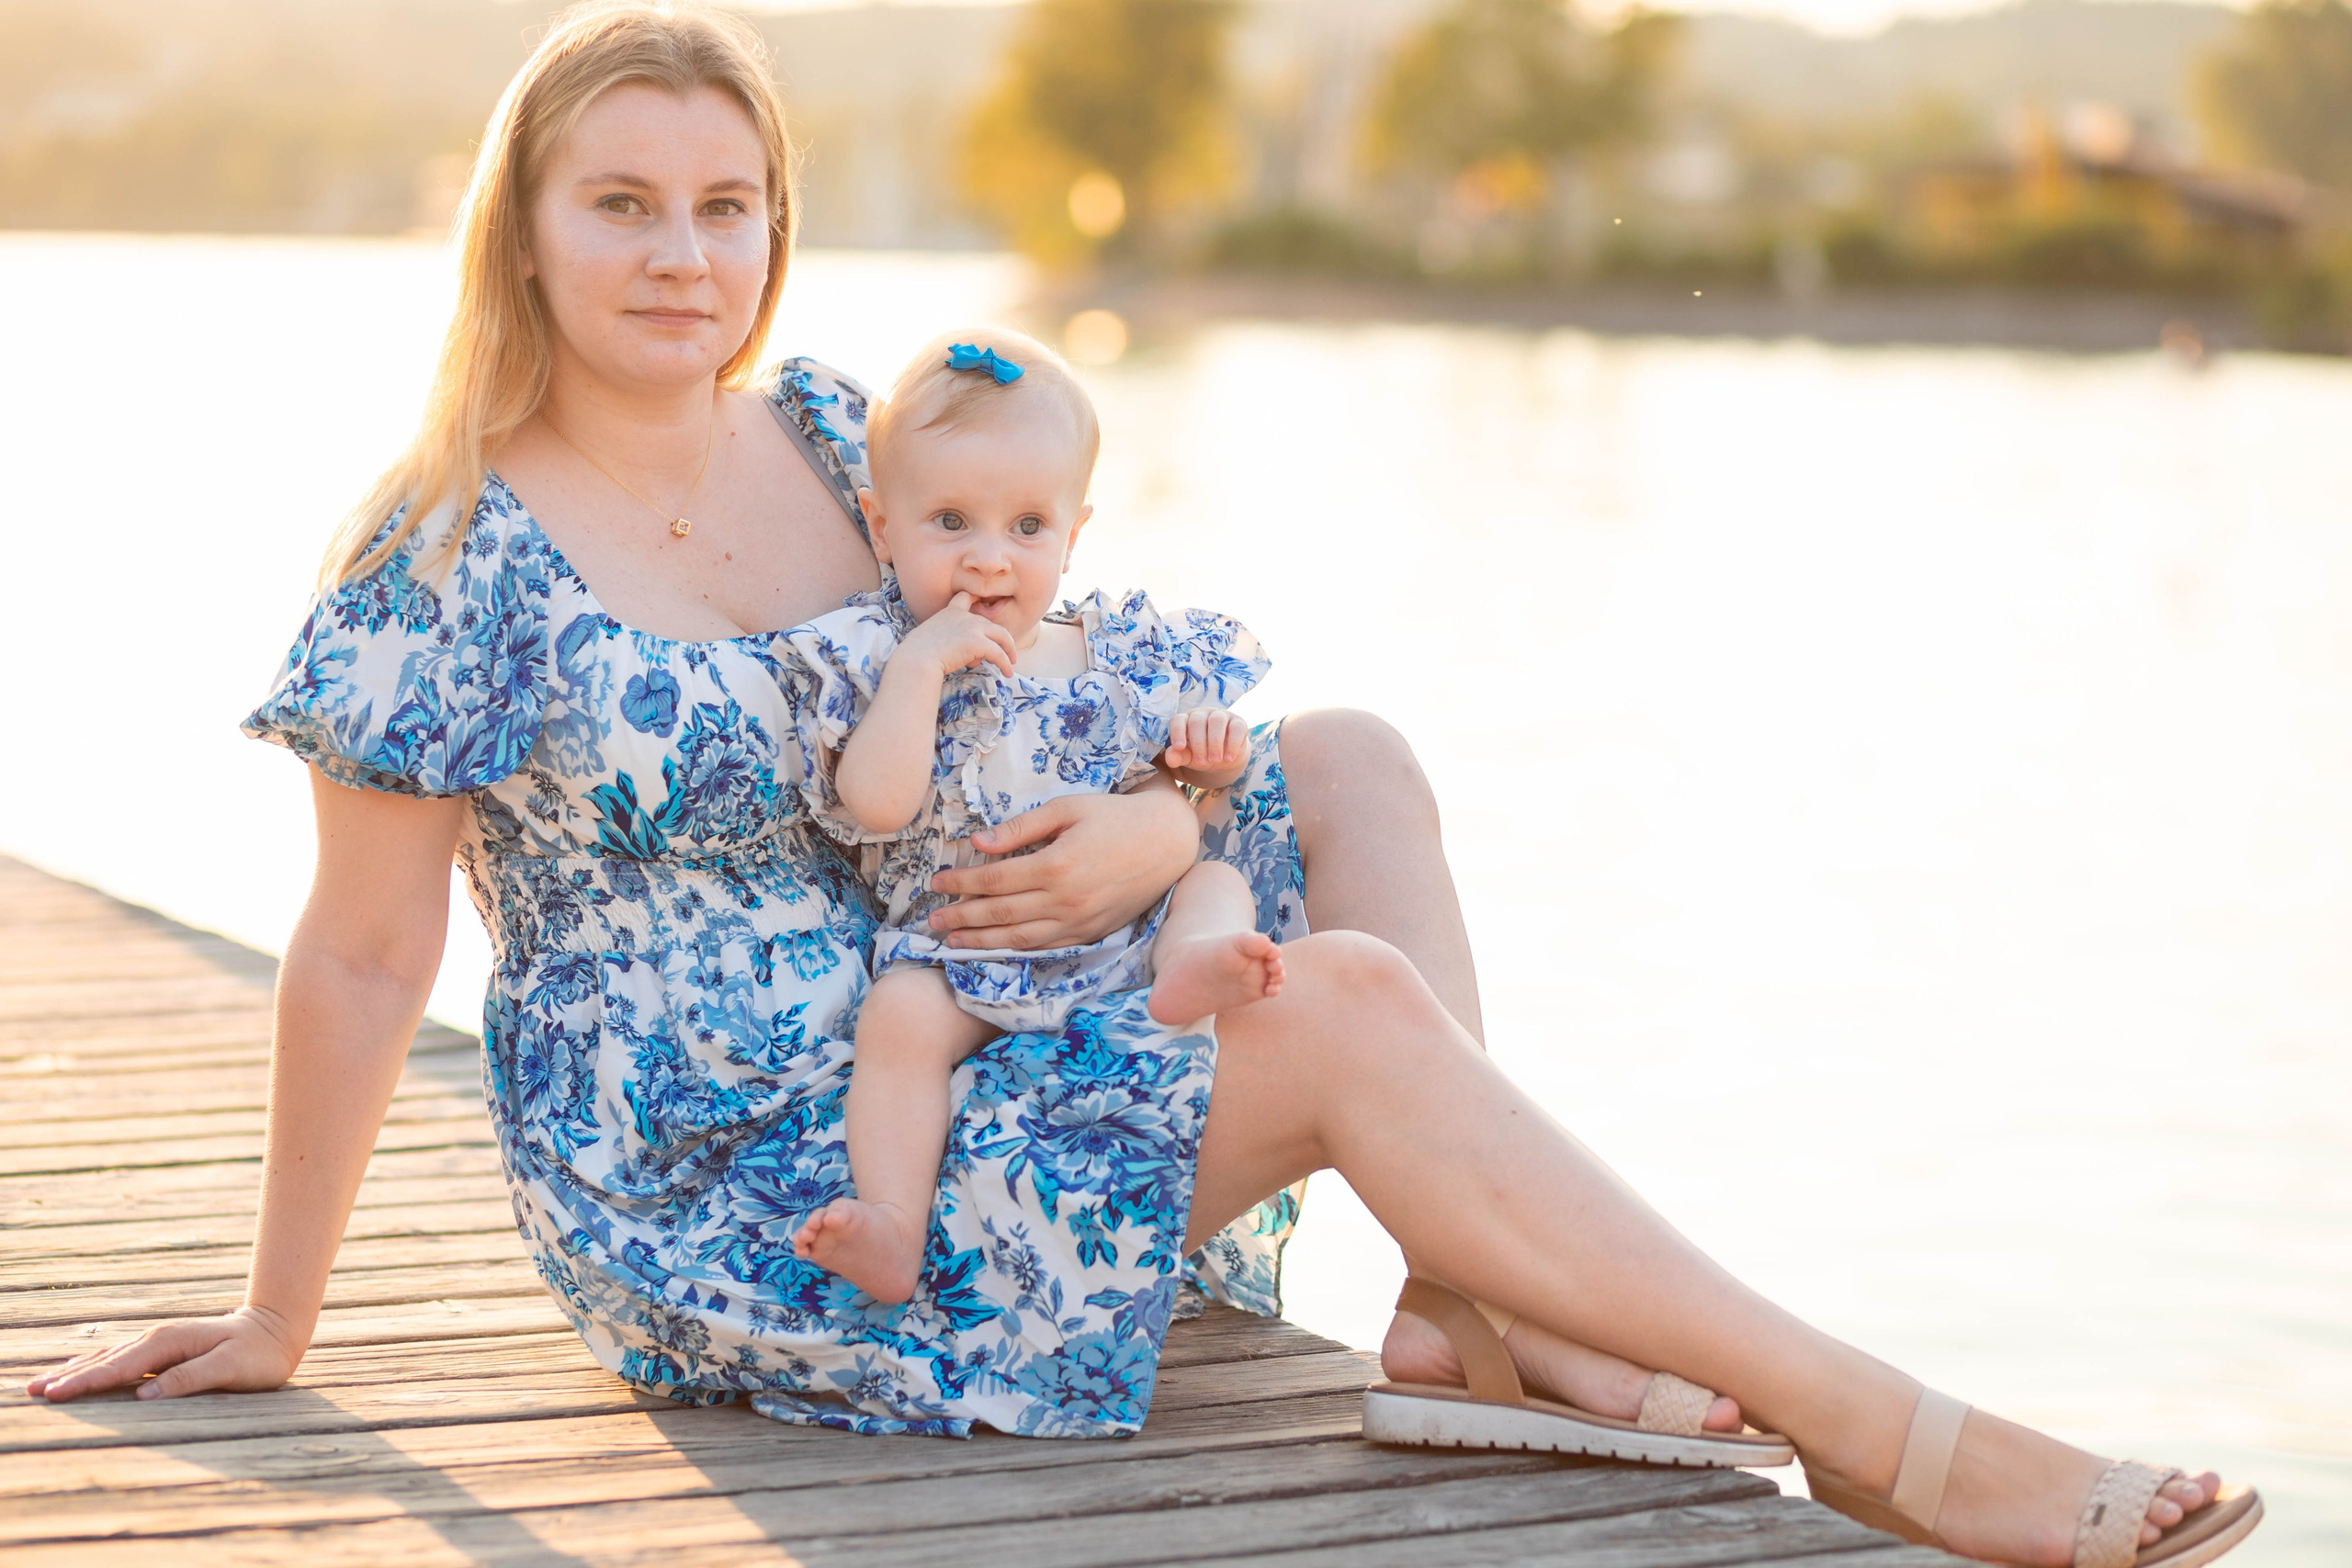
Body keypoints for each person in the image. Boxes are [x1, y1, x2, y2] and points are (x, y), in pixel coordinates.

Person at [26, 7, 2259, 1564]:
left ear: (774, 228)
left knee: (1345, 760)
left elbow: (1055, 673)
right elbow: (355, 946)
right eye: (620, 202)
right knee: (1350, 1000)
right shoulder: (439, 554)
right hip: (759, 1168)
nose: (679, 256)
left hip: (972, 969)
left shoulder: (825, 430)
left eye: (725, 204)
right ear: (518, 224)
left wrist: (1169, 827)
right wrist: (281, 1318)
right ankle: (1891, 1435)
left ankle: (1478, 1311)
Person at [782, 328, 1285, 1304]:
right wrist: (921, 668)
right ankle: (891, 1223)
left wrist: (1203, 756)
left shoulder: (1113, 650)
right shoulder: (880, 656)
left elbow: (1182, 774)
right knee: (897, 1023)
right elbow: (874, 804)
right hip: (960, 953)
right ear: (884, 529)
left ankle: (1194, 966)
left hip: (1121, 938)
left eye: (1025, 528)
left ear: (1073, 532)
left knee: (1218, 878)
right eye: (950, 522)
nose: (989, 561)